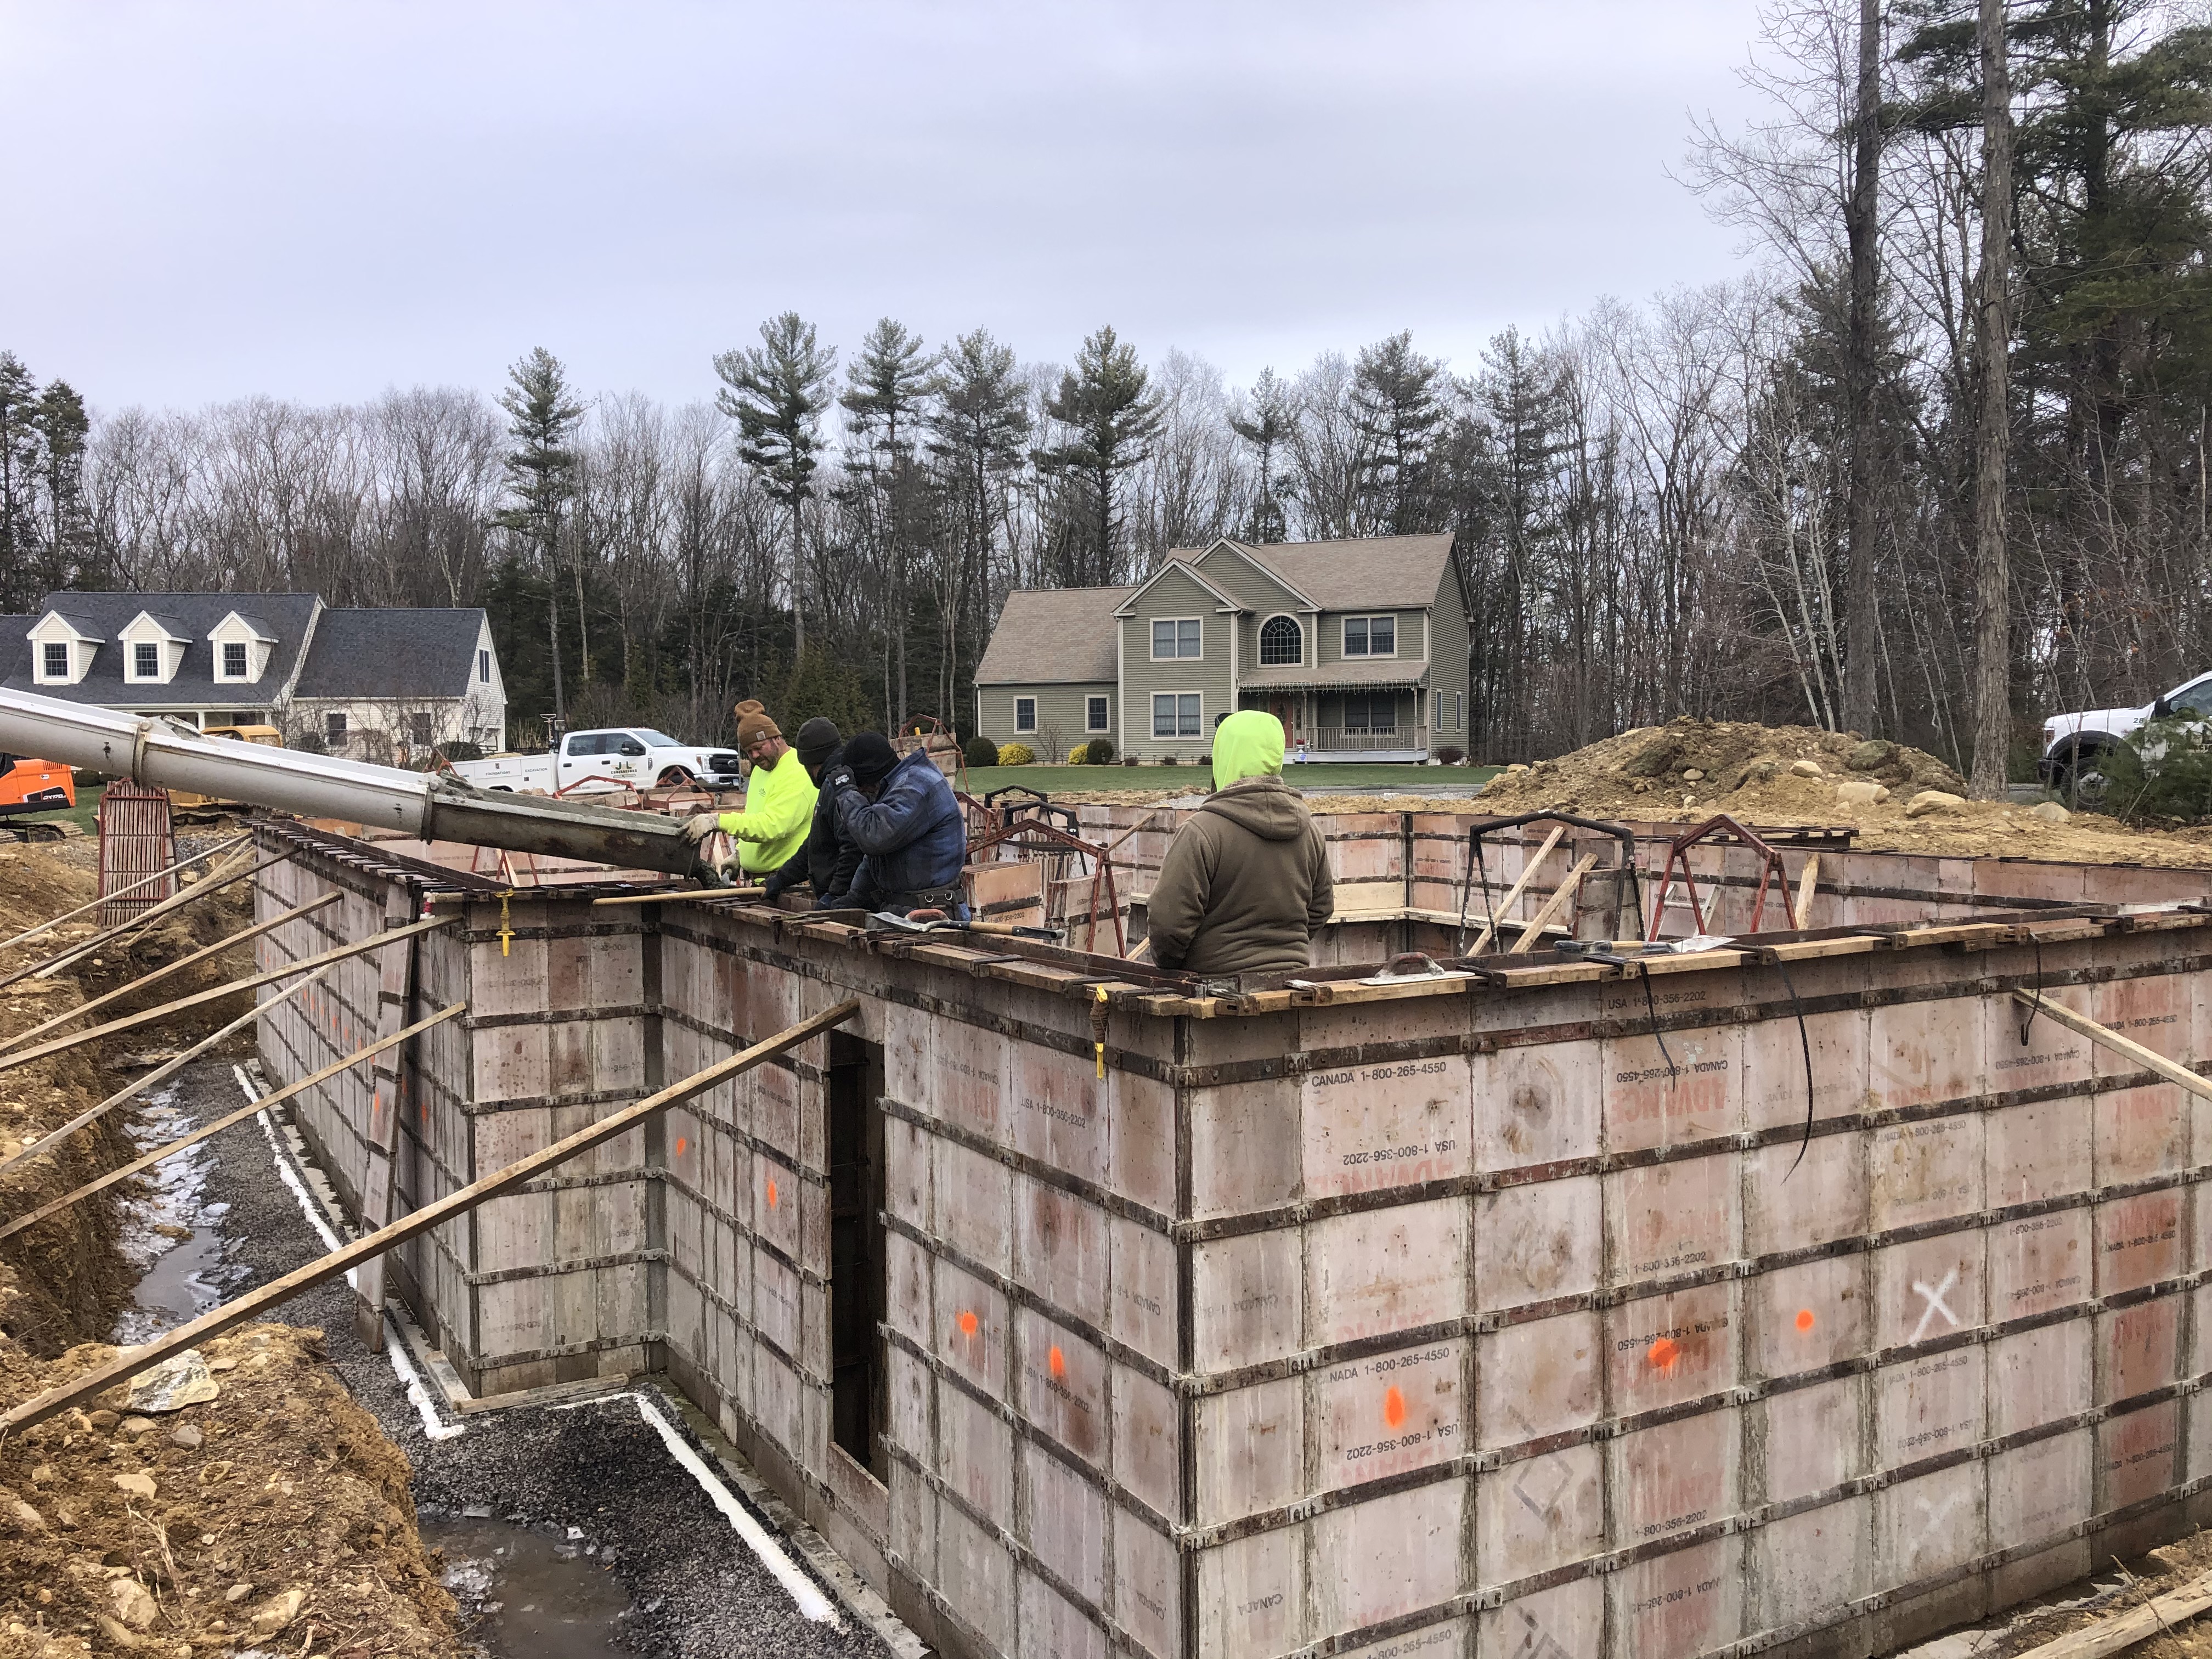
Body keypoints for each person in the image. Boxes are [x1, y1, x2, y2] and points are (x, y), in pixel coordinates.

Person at [1145, 709, 1332, 976]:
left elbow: (1168, 922)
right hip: (1292, 983)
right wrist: (1283, 950)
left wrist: (1175, 966)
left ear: (1225, 756)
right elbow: (1322, 908)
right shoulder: (1310, 832)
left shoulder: (1201, 832)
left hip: (1213, 989)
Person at [826, 730, 968, 917]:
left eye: (861, 789)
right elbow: (879, 858)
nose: (862, 794)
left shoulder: (914, 787)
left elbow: (874, 837)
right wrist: (855, 897)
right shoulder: (899, 785)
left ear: (870, 780)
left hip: (933, 915)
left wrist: (846, 792)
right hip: (910, 910)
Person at [678, 699, 816, 879]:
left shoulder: (796, 771)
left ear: (777, 738)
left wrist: (718, 821)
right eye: (749, 752)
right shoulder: (761, 770)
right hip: (762, 882)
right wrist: (740, 854)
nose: (755, 756)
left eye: (758, 748)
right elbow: (754, 816)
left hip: (790, 884)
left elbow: (772, 826)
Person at [761, 716, 863, 904]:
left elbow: (852, 849)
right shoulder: (828, 786)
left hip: (848, 901)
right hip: (832, 892)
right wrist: (782, 879)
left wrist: (836, 895)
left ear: (810, 763)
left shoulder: (839, 788)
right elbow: (815, 844)